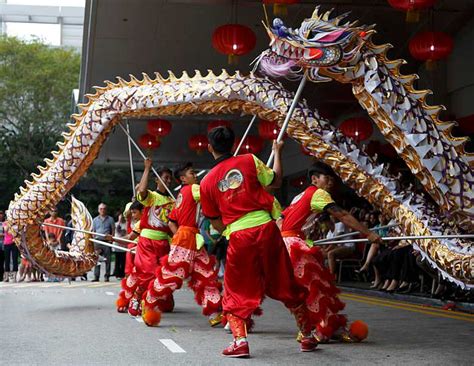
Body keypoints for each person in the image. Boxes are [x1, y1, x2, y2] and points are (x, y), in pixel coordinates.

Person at [199, 126, 317, 357]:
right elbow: (276, 181)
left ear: (210, 148)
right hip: (267, 228)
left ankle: (240, 341)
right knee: (284, 279)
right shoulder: (250, 160)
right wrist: (277, 152)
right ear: (233, 145)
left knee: (236, 289)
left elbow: (214, 221)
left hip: (239, 235)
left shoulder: (207, 182)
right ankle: (307, 335)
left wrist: (231, 230)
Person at [278, 162, 382, 343]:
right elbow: (342, 215)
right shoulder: (318, 193)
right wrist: (369, 233)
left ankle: (321, 327)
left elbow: (280, 220)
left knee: (310, 288)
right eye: (327, 178)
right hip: (293, 245)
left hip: (285, 244)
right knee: (315, 288)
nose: (331, 183)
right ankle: (319, 329)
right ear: (315, 179)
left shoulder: (299, 196)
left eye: (333, 179)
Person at [142, 162, 223, 327]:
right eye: (192, 173)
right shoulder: (193, 189)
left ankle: (215, 312)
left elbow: (172, 221)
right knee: (173, 275)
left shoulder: (179, 195)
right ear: (183, 179)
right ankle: (149, 300)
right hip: (186, 238)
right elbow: (212, 190)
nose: (195, 176)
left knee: (205, 275)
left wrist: (180, 232)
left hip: (189, 236)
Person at [122, 163, 175, 317]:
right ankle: (137, 297)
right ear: (157, 180)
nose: (168, 181)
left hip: (164, 243)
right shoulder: (151, 196)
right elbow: (142, 190)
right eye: (165, 178)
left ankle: (158, 299)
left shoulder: (173, 200)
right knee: (148, 273)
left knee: (163, 275)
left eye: (170, 178)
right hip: (147, 243)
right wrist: (146, 168)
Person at [92, 203, 115, 282]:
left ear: (106, 209)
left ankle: (107, 276)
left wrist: (112, 240)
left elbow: (113, 230)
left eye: (104, 208)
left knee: (107, 260)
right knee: (96, 259)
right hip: (97, 241)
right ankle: (96, 276)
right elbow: (93, 231)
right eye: (101, 209)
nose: (102, 210)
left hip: (107, 241)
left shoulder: (110, 219)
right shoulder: (95, 220)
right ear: (98, 210)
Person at [3, 216, 19, 283]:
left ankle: (14, 277)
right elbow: (6, 230)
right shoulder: (5, 223)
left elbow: (17, 231)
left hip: (14, 243)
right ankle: (6, 277)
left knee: (15, 259)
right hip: (7, 243)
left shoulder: (16, 223)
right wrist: (9, 223)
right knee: (7, 260)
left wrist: (14, 224)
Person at [113, 213, 127, 279]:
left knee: (123, 260)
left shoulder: (126, 224)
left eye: (122, 217)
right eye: (119, 217)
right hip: (117, 244)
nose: (121, 219)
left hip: (124, 244)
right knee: (117, 260)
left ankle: (122, 273)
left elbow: (125, 232)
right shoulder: (115, 224)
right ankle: (117, 273)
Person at [0, 210, 5, 282]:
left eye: (1, 214)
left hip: (3, 243)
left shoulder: (4, 223)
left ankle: (1, 276)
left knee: (2, 260)